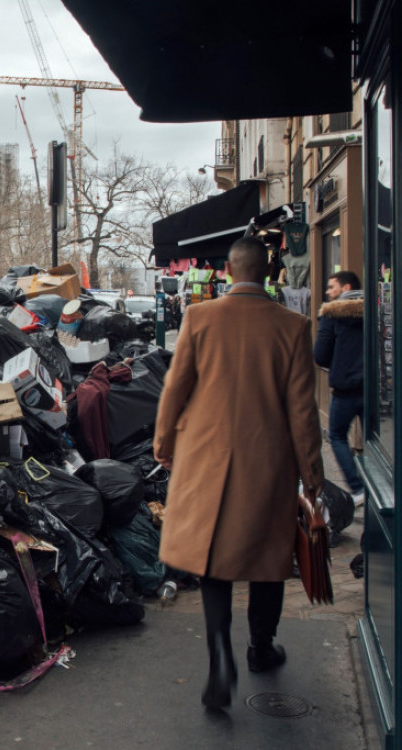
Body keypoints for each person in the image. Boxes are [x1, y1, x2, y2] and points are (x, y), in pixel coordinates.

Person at [153, 237, 324, 710]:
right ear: (269, 273)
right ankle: (260, 648)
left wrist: (164, 444)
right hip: (268, 464)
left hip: (207, 461)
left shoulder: (200, 319)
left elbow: (175, 389)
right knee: (267, 562)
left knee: (213, 565)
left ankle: (219, 658)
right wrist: (312, 474)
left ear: (228, 271)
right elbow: (303, 411)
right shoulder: (293, 327)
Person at [314, 270, 365, 507]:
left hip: (344, 389)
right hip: (372, 390)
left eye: (331, 287)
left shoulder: (332, 315)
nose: (327, 292)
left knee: (336, 436)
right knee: (372, 440)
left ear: (346, 289)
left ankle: (357, 487)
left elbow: (320, 355)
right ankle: (375, 486)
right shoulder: (374, 312)